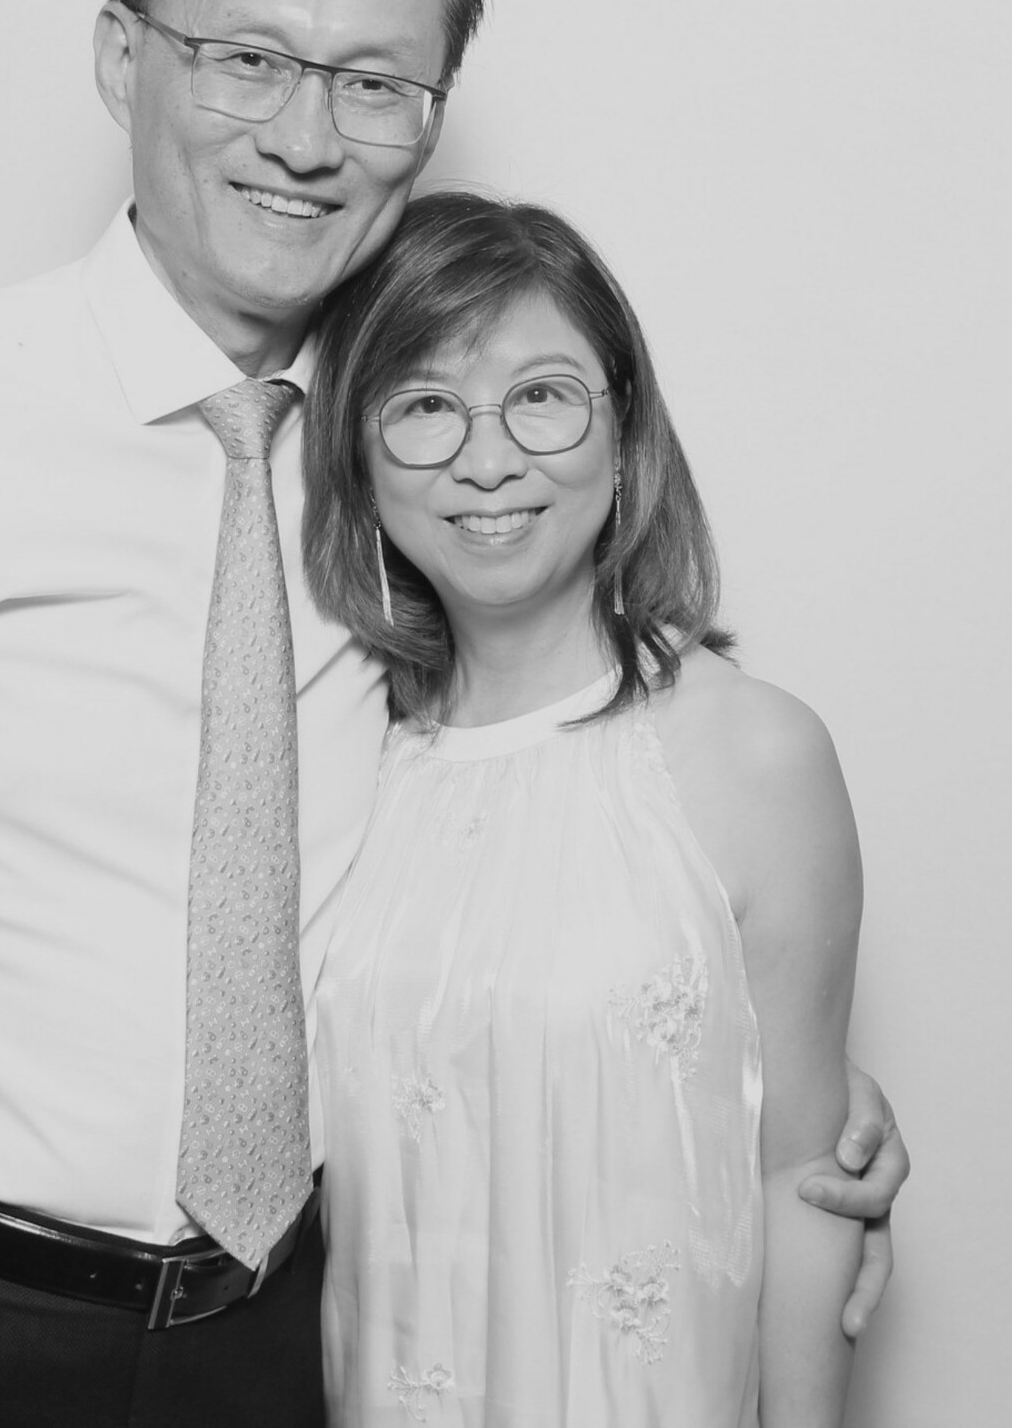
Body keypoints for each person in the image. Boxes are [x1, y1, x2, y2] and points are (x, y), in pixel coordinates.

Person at [0, 0, 907, 1428]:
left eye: (375, 83)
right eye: (248, 60)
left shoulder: (415, 467)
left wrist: (768, 1113)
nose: (306, 137)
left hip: (277, 1343)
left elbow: (549, 863)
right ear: (123, 57)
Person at [301, 193, 863, 1425]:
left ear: (624, 430)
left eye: (542, 396)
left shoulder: (753, 753)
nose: (488, 460)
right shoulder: (343, 757)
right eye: (425, 406)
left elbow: (808, 1184)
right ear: (357, 460)